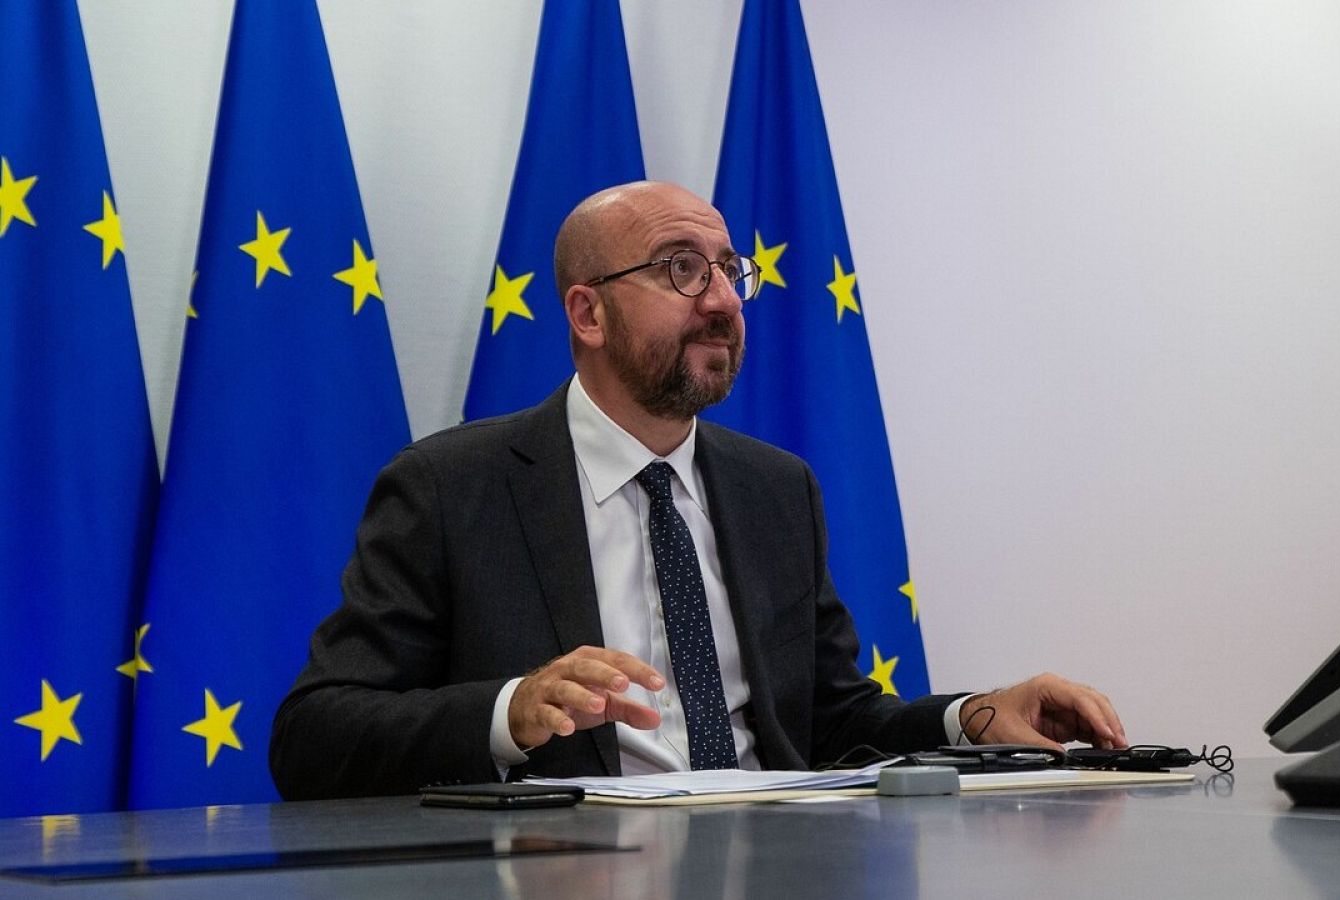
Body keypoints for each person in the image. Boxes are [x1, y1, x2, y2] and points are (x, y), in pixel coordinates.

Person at [269, 181, 1126, 800]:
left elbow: (831, 722)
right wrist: (510, 710)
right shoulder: (452, 490)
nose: (722, 299)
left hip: (778, 863)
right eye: (682, 270)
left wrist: (972, 717)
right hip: (565, 870)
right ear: (587, 314)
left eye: (728, 270)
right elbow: (314, 737)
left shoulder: (775, 489)